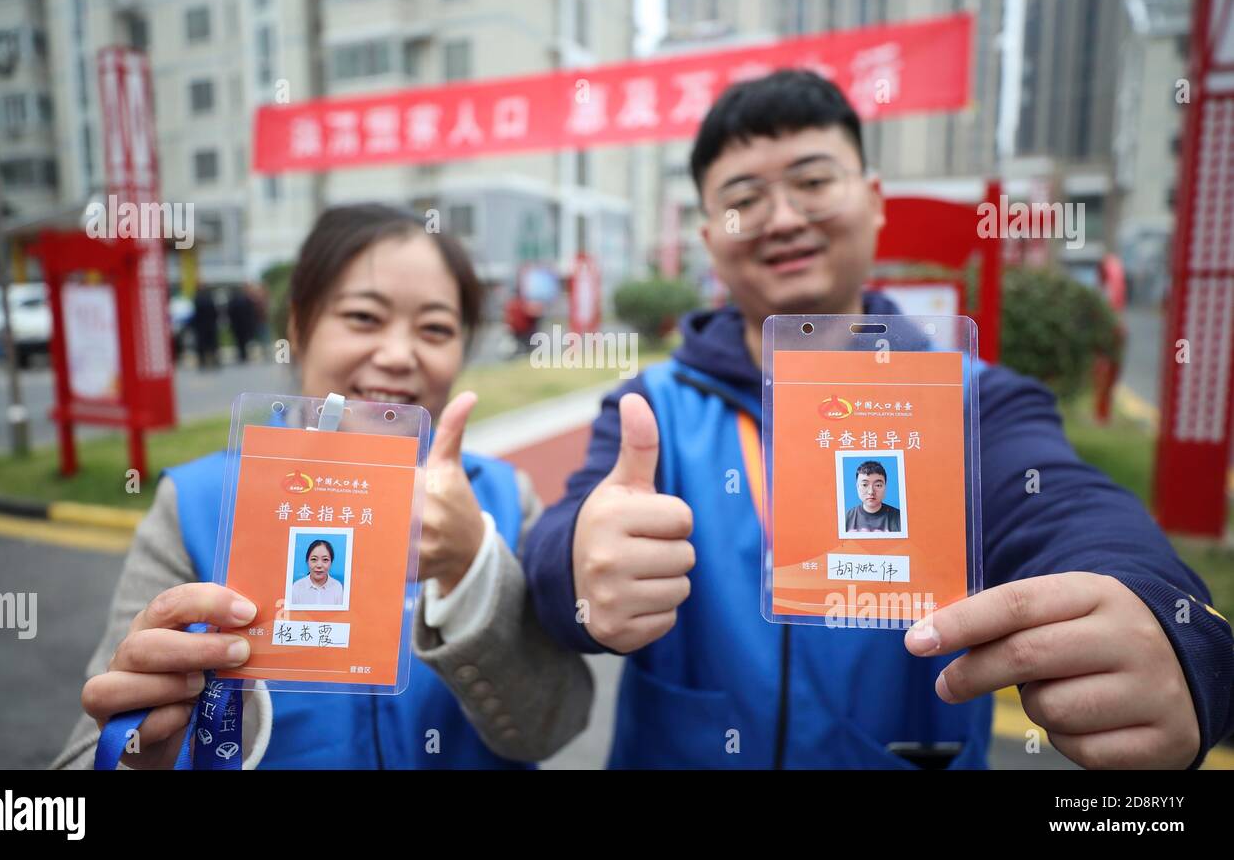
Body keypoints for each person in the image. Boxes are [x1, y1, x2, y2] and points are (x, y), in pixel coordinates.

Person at [522, 70, 1232, 769]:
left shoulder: (975, 400)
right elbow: (561, 545)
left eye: (812, 181)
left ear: (873, 200)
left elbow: (1070, 510)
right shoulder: (652, 407)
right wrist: (577, 563)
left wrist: (1158, 615)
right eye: (745, 198)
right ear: (710, 237)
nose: (783, 217)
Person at [53, 204, 592, 770]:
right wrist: (142, 752)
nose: (397, 355)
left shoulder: (505, 501)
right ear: (298, 325)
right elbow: (84, 754)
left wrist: (471, 571)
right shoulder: (197, 502)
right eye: (363, 317)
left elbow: (554, 725)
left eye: (435, 328)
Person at [844, 461, 900, 533]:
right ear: (857, 487)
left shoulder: (900, 519)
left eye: (878, 485)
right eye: (864, 485)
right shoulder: (845, 519)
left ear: (885, 487)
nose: (871, 492)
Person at [288, 540, 344, 606]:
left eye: (325, 560)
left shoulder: (337, 587)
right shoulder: (296, 587)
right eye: (314, 559)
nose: (319, 565)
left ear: (331, 562)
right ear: (307, 561)